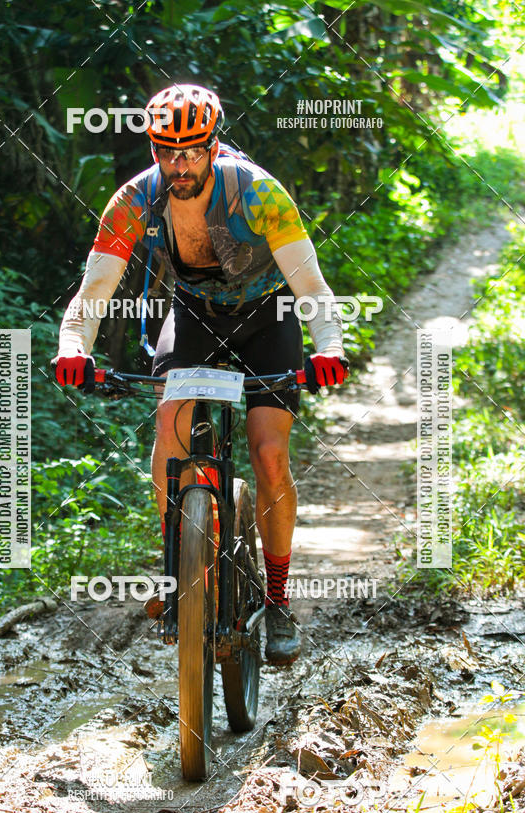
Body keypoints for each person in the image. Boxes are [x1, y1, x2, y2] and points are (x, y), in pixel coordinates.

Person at [54, 84, 348, 665]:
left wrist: (330, 346)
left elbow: (312, 288)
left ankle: (280, 599)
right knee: (171, 431)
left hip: (270, 316)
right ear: (153, 147)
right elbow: (93, 292)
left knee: (268, 453)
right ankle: (177, 569)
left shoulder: (259, 193)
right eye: (166, 151)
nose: (178, 164)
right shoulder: (135, 199)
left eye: (191, 151)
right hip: (193, 315)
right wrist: (73, 346)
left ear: (214, 146)